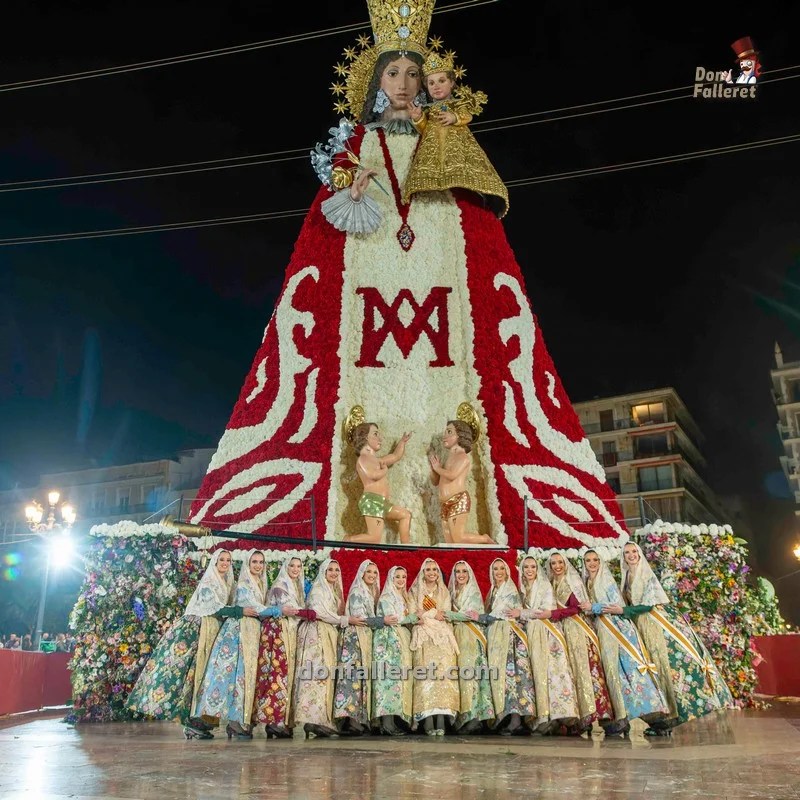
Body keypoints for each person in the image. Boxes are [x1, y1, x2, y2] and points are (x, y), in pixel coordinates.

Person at [619, 541, 733, 735]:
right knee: (653, 669)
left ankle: (672, 716)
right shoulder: (625, 576)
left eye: (634, 551)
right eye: (627, 552)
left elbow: (648, 605)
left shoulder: (646, 574)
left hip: (655, 624)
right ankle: (662, 718)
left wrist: (623, 610)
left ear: (639, 553)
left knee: (665, 665)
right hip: (641, 625)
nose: (631, 555)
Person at [126, 549, 239, 739]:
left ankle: (201, 721)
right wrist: (238, 611)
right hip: (197, 630)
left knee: (206, 674)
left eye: (228, 560)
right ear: (214, 562)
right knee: (193, 673)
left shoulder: (228, 582)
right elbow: (215, 607)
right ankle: (192, 722)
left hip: (212, 630)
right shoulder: (209, 582)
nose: (225, 563)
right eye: (221, 560)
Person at [191, 550, 293, 740]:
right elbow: (254, 608)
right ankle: (225, 722)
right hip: (238, 632)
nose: (258, 565)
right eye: (254, 561)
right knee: (234, 675)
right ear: (247, 564)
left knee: (247, 676)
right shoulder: (244, 584)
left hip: (251, 631)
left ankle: (239, 721)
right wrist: (278, 610)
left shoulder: (260, 583)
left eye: (261, 562)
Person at [403, 45, 508, 217]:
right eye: (431, 83)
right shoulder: (428, 110)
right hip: (432, 151)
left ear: (451, 82)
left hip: (457, 147)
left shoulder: (457, 104)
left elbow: (467, 116)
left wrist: (454, 117)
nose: (436, 86)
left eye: (441, 81)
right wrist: (418, 118)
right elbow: (425, 130)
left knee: (461, 182)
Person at [581, 549, 668, 737]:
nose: (592, 563)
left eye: (596, 559)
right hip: (603, 628)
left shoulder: (605, 579)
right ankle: (619, 719)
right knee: (612, 672)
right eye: (588, 560)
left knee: (627, 670)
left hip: (616, 628)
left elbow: (615, 604)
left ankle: (655, 718)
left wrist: (593, 607)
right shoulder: (587, 581)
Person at [508, 556, 579, 734]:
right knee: (536, 675)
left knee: (551, 674)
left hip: (547, 634)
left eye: (533, 567)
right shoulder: (523, 588)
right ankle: (540, 718)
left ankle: (553, 718)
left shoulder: (544, 585)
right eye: (526, 567)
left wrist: (521, 613)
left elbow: (543, 612)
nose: (530, 570)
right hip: (532, 633)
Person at [294, 558, 364, 738]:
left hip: (326, 633)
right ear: (323, 572)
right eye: (330, 570)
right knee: (316, 676)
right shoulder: (319, 590)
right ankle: (313, 720)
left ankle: (320, 720)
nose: (333, 573)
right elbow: (320, 613)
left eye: (336, 570)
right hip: (316, 634)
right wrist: (346, 620)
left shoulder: (332, 591)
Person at [545, 550, 613, 735]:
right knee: (571, 672)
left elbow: (576, 608)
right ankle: (573, 717)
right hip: (564, 629)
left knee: (584, 670)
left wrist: (554, 614)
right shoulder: (551, 582)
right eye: (553, 563)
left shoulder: (572, 581)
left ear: (566, 564)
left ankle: (589, 717)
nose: (557, 566)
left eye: (560, 562)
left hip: (578, 628)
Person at [333, 559, 398, 734]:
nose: (372, 575)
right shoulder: (357, 591)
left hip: (364, 637)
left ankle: (359, 720)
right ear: (362, 573)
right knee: (352, 678)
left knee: (361, 679)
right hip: (354, 638)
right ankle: (351, 721)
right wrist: (382, 621)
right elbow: (359, 618)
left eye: (375, 573)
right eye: (369, 572)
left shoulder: (371, 592)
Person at [254, 555, 315, 739]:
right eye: (292, 566)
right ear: (285, 567)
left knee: (285, 676)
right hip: (276, 633)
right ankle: (273, 722)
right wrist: (310, 613)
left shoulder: (295, 586)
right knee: (276, 675)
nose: (295, 569)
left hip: (286, 632)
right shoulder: (281, 586)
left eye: (298, 566)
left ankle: (282, 720)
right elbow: (290, 610)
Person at [484, 558, 536, 735]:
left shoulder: (509, 590)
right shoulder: (493, 590)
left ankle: (516, 720)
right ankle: (508, 718)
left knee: (514, 678)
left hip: (510, 638)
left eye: (501, 569)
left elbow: (499, 615)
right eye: (495, 569)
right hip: (499, 638)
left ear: (507, 571)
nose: (498, 572)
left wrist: (480, 617)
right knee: (504, 680)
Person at [408, 558, 460, 735]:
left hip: (442, 638)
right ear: (423, 572)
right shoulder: (415, 591)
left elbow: (443, 614)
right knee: (425, 678)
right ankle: (428, 721)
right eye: (428, 569)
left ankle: (441, 720)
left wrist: (428, 613)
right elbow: (415, 614)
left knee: (443, 678)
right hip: (423, 638)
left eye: (435, 570)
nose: (432, 572)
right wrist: (430, 614)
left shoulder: (443, 591)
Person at [446, 560, 494, 733]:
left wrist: (445, 614)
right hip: (457, 635)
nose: (460, 575)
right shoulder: (451, 592)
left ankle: (474, 717)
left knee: (471, 674)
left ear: (469, 574)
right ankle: (463, 717)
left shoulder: (472, 591)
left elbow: (468, 615)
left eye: (464, 572)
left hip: (471, 635)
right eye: (457, 571)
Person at [429, 420, 494, 544]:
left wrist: (438, 468)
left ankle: (484, 539)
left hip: (457, 500)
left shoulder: (462, 457)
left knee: (457, 538)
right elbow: (436, 481)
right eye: (445, 431)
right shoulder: (447, 458)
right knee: (449, 541)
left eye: (449, 432)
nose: (445, 435)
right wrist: (434, 469)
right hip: (444, 503)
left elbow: (452, 475)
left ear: (460, 435)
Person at [347, 421, 412, 544]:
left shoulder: (378, 460)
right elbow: (372, 475)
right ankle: (348, 540)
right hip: (372, 501)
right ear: (365, 437)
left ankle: (406, 547)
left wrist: (402, 442)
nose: (380, 438)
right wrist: (384, 470)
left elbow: (395, 456)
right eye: (375, 434)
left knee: (405, 515)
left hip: (382, 502)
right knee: (375, 538)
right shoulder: (363, 458)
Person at [372, 565, 418, 735]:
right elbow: (393, 619)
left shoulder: (402, 596)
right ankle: (386, 723)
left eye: (403, 577)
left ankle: (391, 722)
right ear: (391, 578)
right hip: (388, 641)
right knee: (387, 681)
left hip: (399, 639)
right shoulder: (386, 597)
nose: (400, 580)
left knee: (397, 681)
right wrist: (412, 618)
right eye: (397, 576)